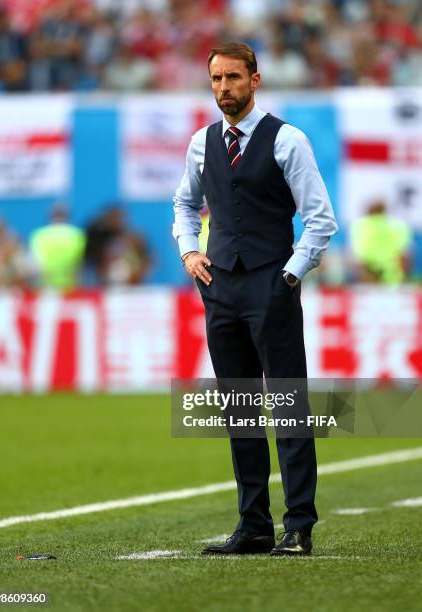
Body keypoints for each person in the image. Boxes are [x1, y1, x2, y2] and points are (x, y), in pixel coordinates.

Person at [173, 42, 337, 556]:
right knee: (239, 411)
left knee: (288, 407)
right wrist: (188, 252)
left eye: (233, 78)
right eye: (216, 79)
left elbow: (321, 219)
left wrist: (289, 275)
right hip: (219, 287)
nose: (224, 88)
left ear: (255, 80)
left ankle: (299, 525)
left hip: (273, 283)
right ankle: (253, 525)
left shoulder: (288, 140)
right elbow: (184, 203)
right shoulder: (202, 142)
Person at [350, 200, 412, 284]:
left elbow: (358, 257)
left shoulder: (360, 226)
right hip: (394, 279)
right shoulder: (399, 226)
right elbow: (404, 257)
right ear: (384, 210)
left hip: (369, 276)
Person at [30, 204, 86, 291]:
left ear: (50, 215)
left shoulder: (39, 235)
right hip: (71, 283)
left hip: (45, 283)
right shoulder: (77, 234)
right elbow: (79, 262)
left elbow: (37, 262)